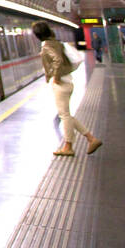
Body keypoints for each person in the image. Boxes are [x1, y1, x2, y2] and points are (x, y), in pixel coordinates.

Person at [34, 20, 102, 157]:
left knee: (64, 116)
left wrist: (56, 77)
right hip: (68, 82)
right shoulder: (56, 43)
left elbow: (57, 60)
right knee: (67, 115)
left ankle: (68, 146)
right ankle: (91, 139)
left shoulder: (46, 46)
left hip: (61, 84)